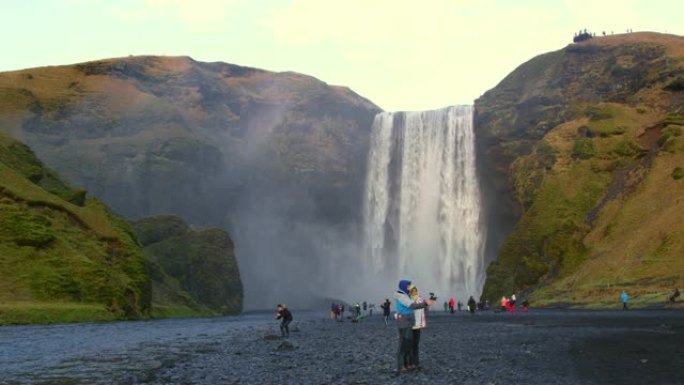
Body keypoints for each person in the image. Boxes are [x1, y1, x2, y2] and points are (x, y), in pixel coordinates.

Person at [393, 279, 433, 373]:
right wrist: (426, 303)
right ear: (404, 286)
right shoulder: (401, 296)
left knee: (408, 343)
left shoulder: (405, 295)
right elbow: (412, 305)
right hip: (404, 322)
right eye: (408, 286)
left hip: (409, 322)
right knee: (404, 344)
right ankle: (401, 365)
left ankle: (407, 364)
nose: (410, 287)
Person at [410, 286, 427, 370]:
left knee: (416, 345)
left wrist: (422, 324)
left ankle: (416, 363)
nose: (414, 292)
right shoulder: (408, 300)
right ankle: (410, 363)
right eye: (413, 291)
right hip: (409, 325)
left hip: (417, 325)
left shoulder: (420, 299)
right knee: (409, 345)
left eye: (415, 291)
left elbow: (422, 313)